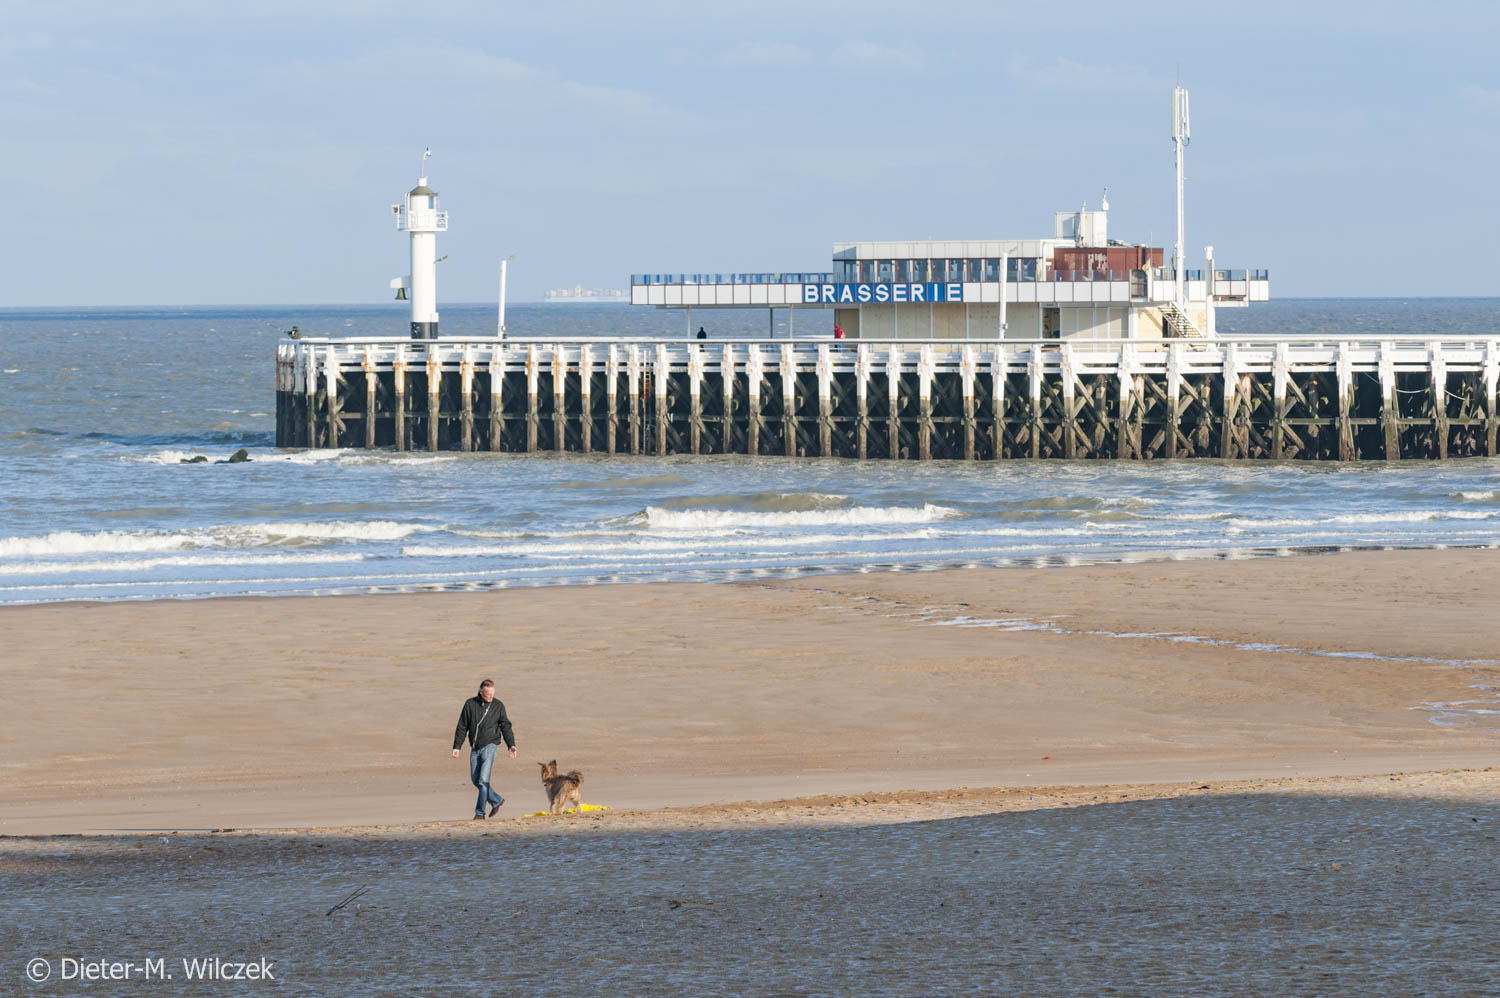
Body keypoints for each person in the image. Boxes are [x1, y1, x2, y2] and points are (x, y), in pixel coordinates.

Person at [451, 679, 516, 820]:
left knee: (483, 780)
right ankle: (496, 800)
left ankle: (480, 813)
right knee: (476, 780)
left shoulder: (498, 706)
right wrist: (457, 746)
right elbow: (462, 726)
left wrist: (511, 744)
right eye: (488, 695)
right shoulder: (470, 704)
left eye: (493, 694)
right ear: (481, 692)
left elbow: (506, 726)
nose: (491, 697)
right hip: (475, 747)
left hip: (491, 745)